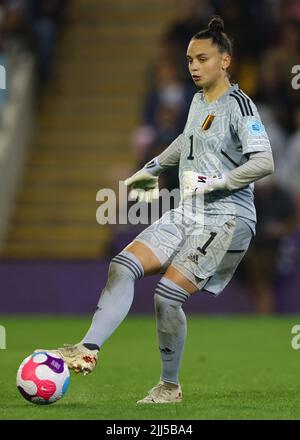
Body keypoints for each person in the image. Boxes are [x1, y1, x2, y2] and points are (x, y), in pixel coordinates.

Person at [38, 16, 274, 404]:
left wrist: (215, 182)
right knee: (122, 264)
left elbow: (264, 162)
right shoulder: (198, 101)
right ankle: (88, 348)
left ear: (225, 61)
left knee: (166, 296)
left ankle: (169, 386)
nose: (194, 67)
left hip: (227, 217)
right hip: (188, 210)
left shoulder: (241, 106)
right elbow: (186, 141)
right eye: (189, 60)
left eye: (202, 59)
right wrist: (148, 171)